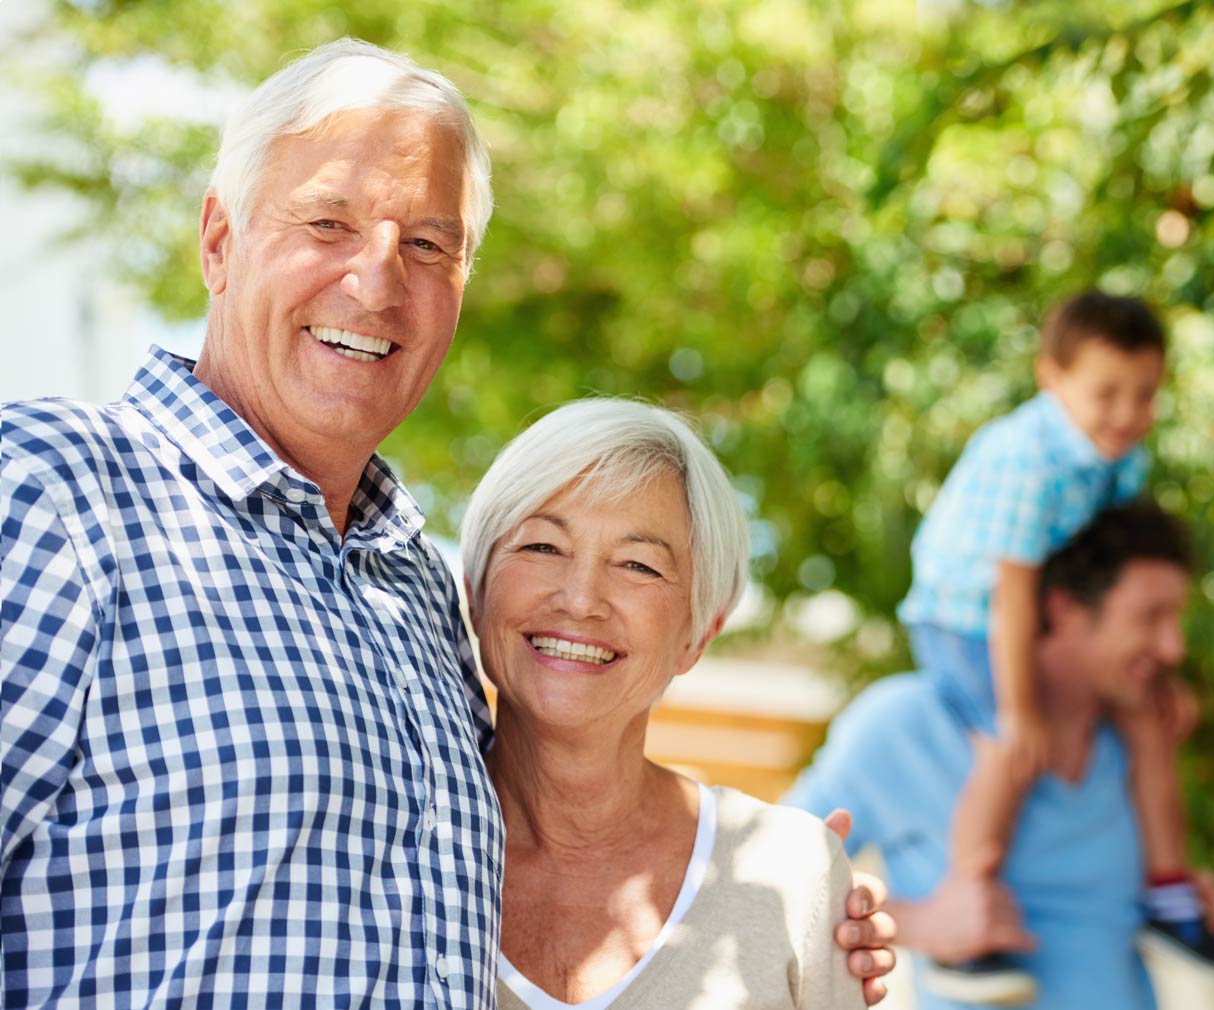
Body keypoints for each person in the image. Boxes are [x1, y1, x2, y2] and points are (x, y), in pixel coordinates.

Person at [0, 39, 891, 1008]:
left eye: (428, 244)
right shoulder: (55, 494)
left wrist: (785, 892)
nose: (377, 281)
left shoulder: (416, 593)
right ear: (218, 240)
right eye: (329, 221)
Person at [457, 399, 868, 1009]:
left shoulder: (793, 874)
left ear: (697, 633)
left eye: (637, 564)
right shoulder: (390, 848)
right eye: (543, 546)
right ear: (475, 588)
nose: (580, 598)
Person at [893, 292, 1214, 1001]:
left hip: (1031, 616)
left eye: (1144, 395)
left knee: (1145, 717)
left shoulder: (1117, 457)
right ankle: (968, 912)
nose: (1126, 412)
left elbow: (1114, 577)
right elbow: (1011, 593)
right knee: (1005, 745)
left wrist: (1160, 677)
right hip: (963, 616)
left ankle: (1170, 897)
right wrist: (1021, 709)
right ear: (1052, 378)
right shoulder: (1028, 458)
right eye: (1106, 391)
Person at [790, 502, 1205, 1010]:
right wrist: (920, 924)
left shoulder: (1136, 741)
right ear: (1063, 607)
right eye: (1150, 617)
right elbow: (771, 878)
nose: (1173, 647)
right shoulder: (910, 722)